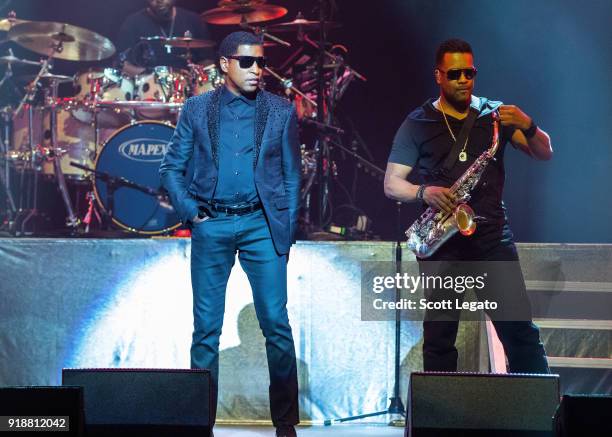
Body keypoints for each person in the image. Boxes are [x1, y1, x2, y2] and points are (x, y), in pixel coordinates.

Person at [159, 31, 300, 437]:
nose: (257, 69)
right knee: (206, 329)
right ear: (224, 64)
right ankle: (198, 424)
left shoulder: (281, 110)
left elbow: (292, 176)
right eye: (247, 62)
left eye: (260, 61)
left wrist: (284, 233)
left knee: (276, 322)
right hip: (212, 224)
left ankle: (286, 424)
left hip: (261, 226)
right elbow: (170, 169)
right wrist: (192, 213)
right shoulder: (197, 108)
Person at [384, 38, 552, 373]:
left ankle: (540, 417)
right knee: (440, 338)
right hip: (442, 243)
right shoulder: (417, 122)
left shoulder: (495, 115)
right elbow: (391, 183)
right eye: (455, 73)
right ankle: (439, 422)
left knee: (519, 331)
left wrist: (527, 123)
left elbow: (544, 152)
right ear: (439, 76)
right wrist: (424, 192)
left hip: (491, 239)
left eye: (469, 72)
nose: (463, 79)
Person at [116, 0, 213, 75]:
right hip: (149, 90)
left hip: (188, 88)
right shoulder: (132, 23)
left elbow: (207, 61)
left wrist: (198, 75)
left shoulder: (193, 20)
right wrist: (150, 76)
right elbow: (123, 64)